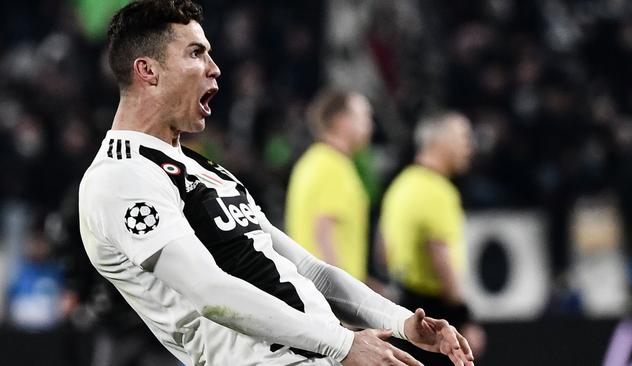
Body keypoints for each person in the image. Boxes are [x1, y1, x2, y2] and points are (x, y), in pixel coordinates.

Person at [78, 1, 474, 365]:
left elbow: (309, 271)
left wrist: (403, 322)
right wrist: (343, 343)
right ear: (147, 71)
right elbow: (211, 293)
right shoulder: (121, 177)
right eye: (196, 53)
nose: (214, 68)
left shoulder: (205, 170)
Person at [379, 112, 486, 365]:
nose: (469, 147)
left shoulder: (399, 186)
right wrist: (464, 319)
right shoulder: (438, 191)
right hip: (435, 319)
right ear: (439, 142)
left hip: (404, 314)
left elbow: (383, 253)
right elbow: (441, 259)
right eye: (463, 138)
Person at [285, 89, 372, 282]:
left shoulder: (311, 161)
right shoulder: (333, 167)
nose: (370, 125)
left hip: (311, 287)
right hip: (329, 297)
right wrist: (345, 296)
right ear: (342, 121)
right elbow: (323, 234)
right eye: (364, 116)